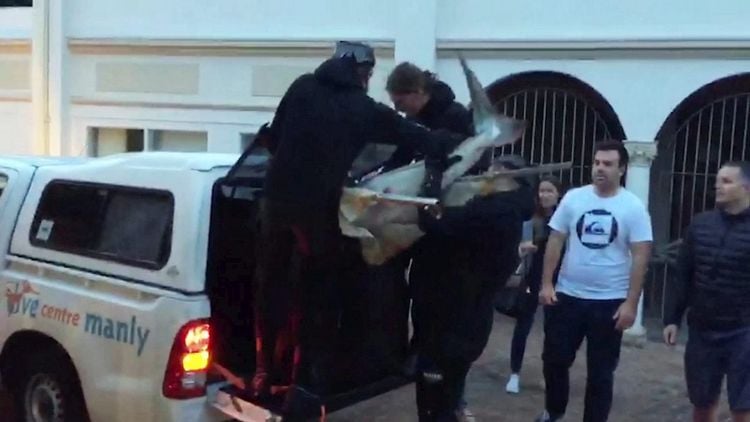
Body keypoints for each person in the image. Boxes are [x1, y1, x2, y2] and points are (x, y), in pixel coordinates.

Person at [251, 41, 458, 416]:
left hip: (274, 204)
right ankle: (309, 379)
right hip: (314, 216)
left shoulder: (301, 86)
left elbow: (275, 136)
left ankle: (264, 370)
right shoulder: (362, 108)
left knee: (272, 287)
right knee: (316, 296)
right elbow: (413, 136)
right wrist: (451, 144)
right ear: (364, 73)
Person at [536, 140, 653, 422]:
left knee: (600, 372)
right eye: (597, 162)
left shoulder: (632, 207)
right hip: (567, 296)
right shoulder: (574, 198)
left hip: (609, 301)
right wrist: (547, 283)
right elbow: (556, 239)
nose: (600, 168)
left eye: (608, 164)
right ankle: (554, 411)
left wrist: (630, 303)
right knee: (554, 360)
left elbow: (640, 256)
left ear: (622, 169)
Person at [413, 155, 535, 421]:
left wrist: (432, 183)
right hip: (468, 318)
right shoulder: (505, 212)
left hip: (451, 319)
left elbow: (434, 222)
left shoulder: (492, 212)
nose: (486, 177)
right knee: (448, 394)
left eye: (493, 172)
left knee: (436, 399)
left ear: (508, 179)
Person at [663, 161, 750, 422]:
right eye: (717, 181)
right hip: (703, 329)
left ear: (745, 187)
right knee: (702, 402)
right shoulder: (700, 225)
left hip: (744, 330)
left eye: (726, 181)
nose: (718, 186)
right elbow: (683, 275)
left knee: (743, 406)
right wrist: (672, 318)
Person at [505, 175, 564, 394]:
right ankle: (514, 373)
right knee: (523, 326)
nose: (545, 195)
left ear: (558, 194)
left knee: (553, 330)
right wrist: (523, 248)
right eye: (542, 191)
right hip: (532, 277)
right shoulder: (531, 219)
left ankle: (549, 375)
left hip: (558, 280)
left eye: (549, 191)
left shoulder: (564, 219)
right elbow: (516, 246)